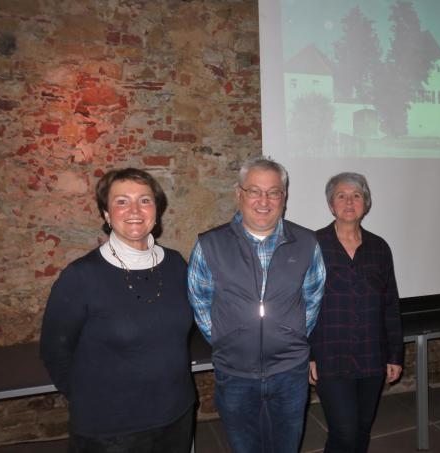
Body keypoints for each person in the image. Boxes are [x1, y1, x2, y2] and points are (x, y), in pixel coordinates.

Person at [40, 168, 196, 453]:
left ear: (157, 211)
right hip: (111, 430)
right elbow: (55, 350)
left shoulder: (176, 264)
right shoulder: (81, 276)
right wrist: (88, 400)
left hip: (176, 415)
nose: (135, 210)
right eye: (122, 201)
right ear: (107, 214)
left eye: (145, 200)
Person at [187, 156, 326, 453]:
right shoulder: (210, 245)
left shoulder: (307, 243)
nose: (264, 201)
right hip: (235, 374)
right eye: (254, 191)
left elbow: (313, 298)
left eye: (273, 192)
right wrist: (229, 339)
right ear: (239, 194)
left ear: (284, 198)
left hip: (290, 373)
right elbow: (200, 301)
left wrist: (291, 335)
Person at [308, 172, 404, 453]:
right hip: (330, 355)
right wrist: (308, 353)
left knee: (362, 430)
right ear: (331, 205)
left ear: (366, 203)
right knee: (345, 432)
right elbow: (301, 304)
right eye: (342, 195)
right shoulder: (312, 246)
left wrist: (394, 355)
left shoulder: (379, 248)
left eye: (357, 195)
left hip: (372, 356)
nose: (349, 201)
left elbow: (390, 304)